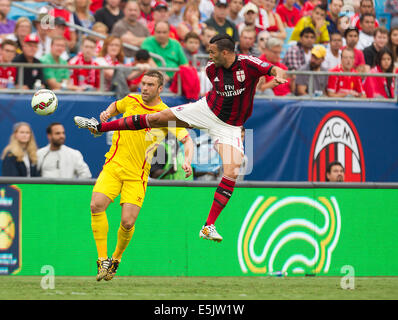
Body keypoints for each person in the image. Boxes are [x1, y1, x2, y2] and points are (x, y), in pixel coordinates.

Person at [74, 34, 287, 242]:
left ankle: (208, 225)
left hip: (230, 127)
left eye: (212, 52)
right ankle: (100, 126)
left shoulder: (248, 63)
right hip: (206, 109)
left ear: (225, 52)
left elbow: (272, 68)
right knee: (158, 118)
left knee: (232, 169)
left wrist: (277, 76)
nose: (209, 56)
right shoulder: (211, 70)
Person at [76, 71, 194, 281]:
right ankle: (102, 259)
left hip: (137, 174)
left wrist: (187, 159)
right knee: (96, 205)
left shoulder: (166, 114)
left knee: (128, 223)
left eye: (150, 85)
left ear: (160, 89)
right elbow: (116, 106)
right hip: (113, 165)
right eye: (143, 83)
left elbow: (187, 140)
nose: (145, 88)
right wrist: (107, 112)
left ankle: (115, 259)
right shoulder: (131, 100)